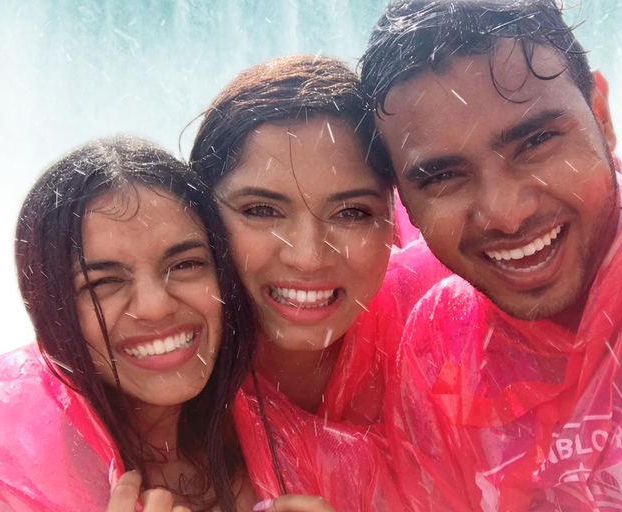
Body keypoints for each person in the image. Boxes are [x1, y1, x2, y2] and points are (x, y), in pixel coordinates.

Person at [360, 0, 622, 510]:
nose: (505, 214)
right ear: (404, 206)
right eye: (441, 177)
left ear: (601, 116)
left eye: (537, 140)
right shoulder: (439, 352)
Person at [189, 55, 449, 511]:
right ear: (200, 217)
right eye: (262, 211)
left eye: (351, 213)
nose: (308, 258)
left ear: (393, 221)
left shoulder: (449, 331)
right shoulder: (153, 370)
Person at [0, 136, 257, 511]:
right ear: (52, 312)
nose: (155, 307)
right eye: (103, 283)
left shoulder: (278, 448)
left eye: (186, 264)